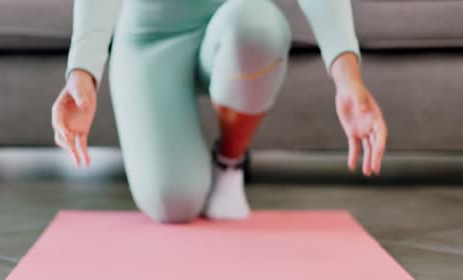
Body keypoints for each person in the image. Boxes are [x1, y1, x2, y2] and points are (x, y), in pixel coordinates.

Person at [51, 0, 387, 223]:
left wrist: (347, 79)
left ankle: (229, 162)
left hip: (235, 23)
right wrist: (82, 71)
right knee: (173, 203)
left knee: (258, 29)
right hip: (148, 39)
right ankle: (187, 172)